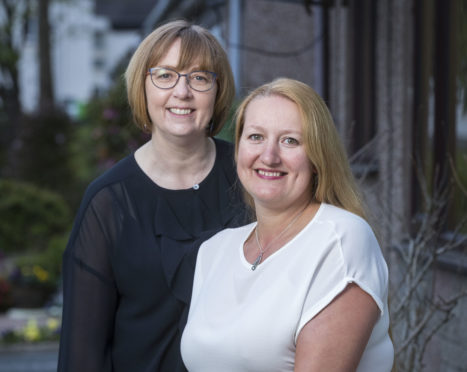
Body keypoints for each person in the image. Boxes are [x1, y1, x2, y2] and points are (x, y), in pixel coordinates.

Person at [57, 20, 247, 372]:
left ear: (218, 91)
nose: (182, 91)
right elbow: (81, 353)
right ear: (142, 86)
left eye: (200, 77)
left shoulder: (250, 177)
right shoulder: (108, 203)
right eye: (165, 75)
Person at [181, 78, 394, 371]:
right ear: (239, 148)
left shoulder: (342, 240)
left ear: (318, 157)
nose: (269, 156)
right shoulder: (214, 251)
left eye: (290, 141)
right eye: (255, 137)